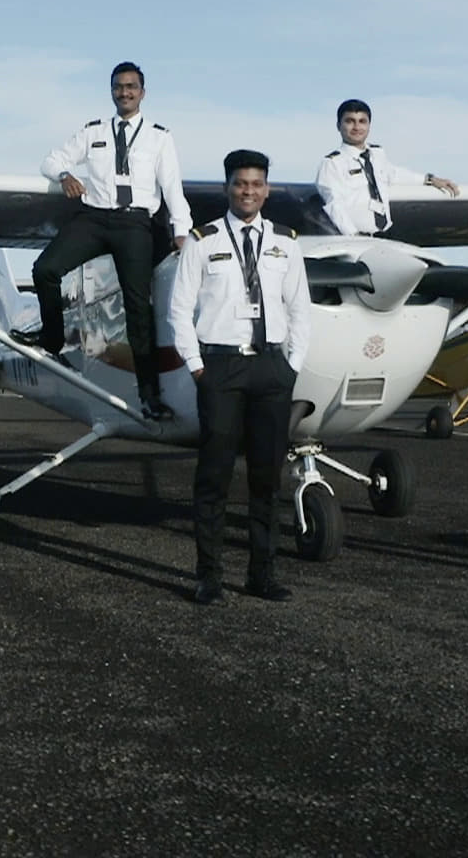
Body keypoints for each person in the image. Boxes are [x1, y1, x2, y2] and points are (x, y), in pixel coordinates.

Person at [169, 149, 311, 605]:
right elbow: (179, 308)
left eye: (255, 184)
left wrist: (291, 366)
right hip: (221, 367)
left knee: (266, 478)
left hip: (270, 367)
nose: (247, 191)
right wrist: (195, 365)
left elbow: (300, 309)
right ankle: (209, 575)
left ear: (266, 189)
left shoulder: (286, 242)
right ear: (227, 188)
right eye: (239, 183)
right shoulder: (202, 240)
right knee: (214, 476)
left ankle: (260, 574)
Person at [28, 61, 193, 421]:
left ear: (142, 93)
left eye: (131, 87)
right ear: (112, 92)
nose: (125, 92)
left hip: (135, 222)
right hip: (93, 218)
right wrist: (66, 174)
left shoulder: (159, 137)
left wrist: (182, 231)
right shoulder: (93, 131)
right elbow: (50, 160)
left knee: (138, 308)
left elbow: (173, 188)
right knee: (45, 269)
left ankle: (150, 396)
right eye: (119, 87)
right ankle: (52, 340)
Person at [312, 99, 460, 236]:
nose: (357, 127)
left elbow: (393, 174)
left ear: (369, 125)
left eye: (362, 121)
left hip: (385, 235)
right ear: (339, 126)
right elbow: (334, 204)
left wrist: (430, 179)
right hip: (353, 241)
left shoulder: (377, 154)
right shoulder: (332, 164)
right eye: (350, 121)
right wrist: (353, 235)